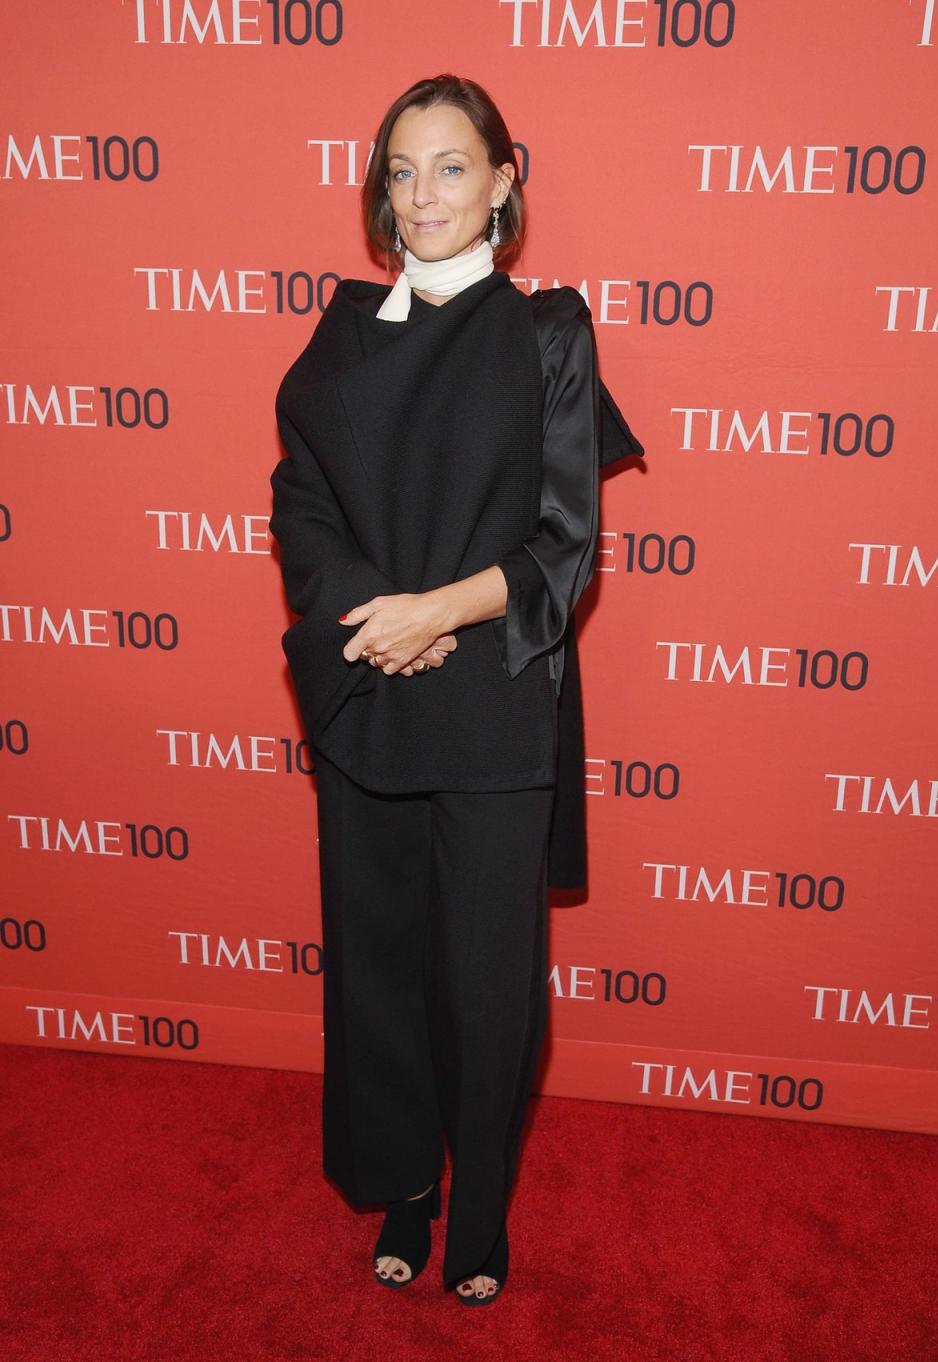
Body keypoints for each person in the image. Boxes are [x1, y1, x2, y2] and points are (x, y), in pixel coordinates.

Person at [268, 73, 643, 1306]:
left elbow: (562, 543)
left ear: (502, 181)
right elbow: (303, 506)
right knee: (380, 972)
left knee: (484, 987)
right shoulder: (337, 339)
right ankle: (408, 1187)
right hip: (369, 696)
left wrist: (437, 614)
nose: (422, 193)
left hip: (491, 708)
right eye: (401, 170)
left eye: (449, 166)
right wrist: (376, 618)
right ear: (379, 193)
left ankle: (478, 1210)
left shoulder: (546, 334)